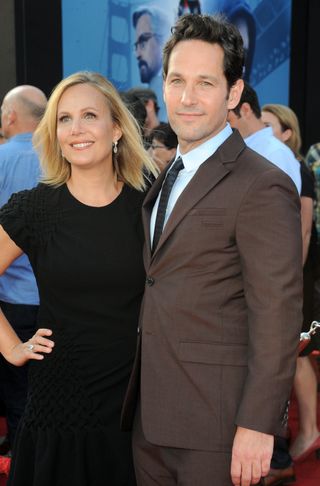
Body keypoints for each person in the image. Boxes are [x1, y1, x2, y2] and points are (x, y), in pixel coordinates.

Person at [121, 14, 303, 486]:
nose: (187, 97)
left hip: (217, 426)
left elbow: (277, 312)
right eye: (178, 80)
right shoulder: (166, 175)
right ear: (163, 85)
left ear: (234, 92)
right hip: (150, 418)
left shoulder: (262, 185)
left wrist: (259, 425)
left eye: (205, 82)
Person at [0, 71, 157, 486]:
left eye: (89, 115)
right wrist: (12, 346)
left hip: (132, 400)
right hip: (60, 401)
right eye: (64, 119)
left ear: (117, 128)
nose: (76, 129)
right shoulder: (35, 209)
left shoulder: (147, 207)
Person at [262, 104, 320, 465]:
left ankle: (310, 430)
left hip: (294, 276)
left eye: (270, 128)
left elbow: (301, 230)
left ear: (287, 133)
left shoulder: (298, 168)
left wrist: (291, 283)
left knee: (296, 354)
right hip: (283, 276)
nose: (260, 135)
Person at [0, 85, 47, 453]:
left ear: (11, 116)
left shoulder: (1, 159)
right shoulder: (60, 157)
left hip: (10, 305)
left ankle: (19, 465)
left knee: (17, 401)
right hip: (55, 304)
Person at [228, 82, 301, 195]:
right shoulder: (232, 148)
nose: (222, 126)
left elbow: (283, 206)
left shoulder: (276, 153)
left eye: (227, 120)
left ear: (245, 110)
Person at [132, 5, 171, 121]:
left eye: (143, 43)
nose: (138, 54)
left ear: (163, 41)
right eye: (136, 46)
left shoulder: (168, 93)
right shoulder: (152, 91)